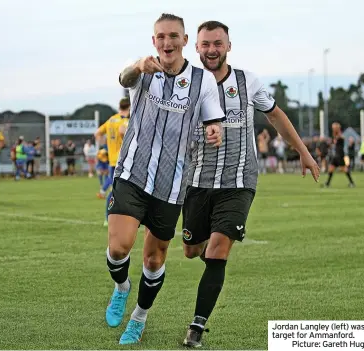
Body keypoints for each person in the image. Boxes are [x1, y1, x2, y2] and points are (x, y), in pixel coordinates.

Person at [181, 21, 320, 348]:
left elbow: (275, 115)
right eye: (205, 44)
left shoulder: (248, 81)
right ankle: (209, 262)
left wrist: (303, 151)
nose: (211, 50)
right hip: (196, 181)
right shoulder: (185, 84)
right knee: (191, 250)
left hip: (239, 181)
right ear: (196, 48)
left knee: (217, 250)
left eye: (218, 43)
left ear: (229, 46)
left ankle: (196, 328)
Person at [105, 13, 224, 345]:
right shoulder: (142, 69)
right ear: (153, 41)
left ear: (185, 41)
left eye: (174, 36)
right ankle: (121, 288)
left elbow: (213, 120)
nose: (167, 42)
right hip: (132, 172)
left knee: (153, 257)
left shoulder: (203, 81)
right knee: (118, 247)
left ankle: (139, 317)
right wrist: (138, 67)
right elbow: (123, 78)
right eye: (160, 37)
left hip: (172, 185)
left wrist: (214, 130)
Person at [95, 97, 131, 226]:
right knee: (129, 189)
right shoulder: (125, 120)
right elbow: (122, 131)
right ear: (129, 107)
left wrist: (104, 146)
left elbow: (97, 133)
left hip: (112, 159)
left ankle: (108, 217)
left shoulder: (111, 120)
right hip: (124, 159)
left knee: (115, 190)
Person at [322, 122, 355, 188]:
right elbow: (333, 141)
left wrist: (337, 129)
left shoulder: (340, 135)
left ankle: (352, 183)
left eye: (334, 128)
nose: (333, 129)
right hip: (336, 155)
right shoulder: (335, 136)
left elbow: (341, 137)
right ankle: (327, 183)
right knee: (331, 168)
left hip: (340, 155)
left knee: (344, 169)